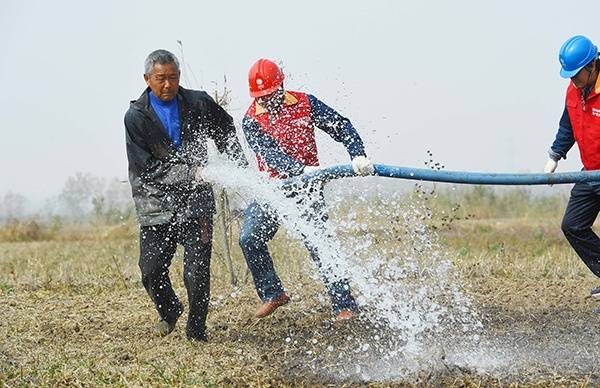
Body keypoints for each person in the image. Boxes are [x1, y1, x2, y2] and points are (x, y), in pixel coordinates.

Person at [239, 58, 374, 321]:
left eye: (270, 95)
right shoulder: (251, 120)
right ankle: (272, 293)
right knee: (249, 238)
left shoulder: (305, 103)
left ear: (281, 86)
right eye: (260, 97)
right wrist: (298, 170)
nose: (266, 102)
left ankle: (344, 305)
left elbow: (341, 125)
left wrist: (357, 155)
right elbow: (269, 154)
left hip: (306, 192)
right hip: (273, 189)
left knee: (320, 244)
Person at [124, 49, 247, 341]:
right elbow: (146, 169)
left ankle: (196, 330)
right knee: (151, 270)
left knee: (197, 271)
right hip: (155, 203)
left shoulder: (198, 102)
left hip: (196, 202)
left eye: (173, 78)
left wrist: (238, 166)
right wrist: (191, 173)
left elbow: (225, 129)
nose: (168, 85)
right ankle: (169, 311)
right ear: (147, 79)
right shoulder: (136, 117)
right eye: (160, 79)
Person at [545, 35, 600, 299]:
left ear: (592, 66)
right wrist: (555, 155)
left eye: (576, 74)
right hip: (590, 172)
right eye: (569, 75)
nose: (572, 79)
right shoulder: (574, 91)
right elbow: (568, 125)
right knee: (573, 225)